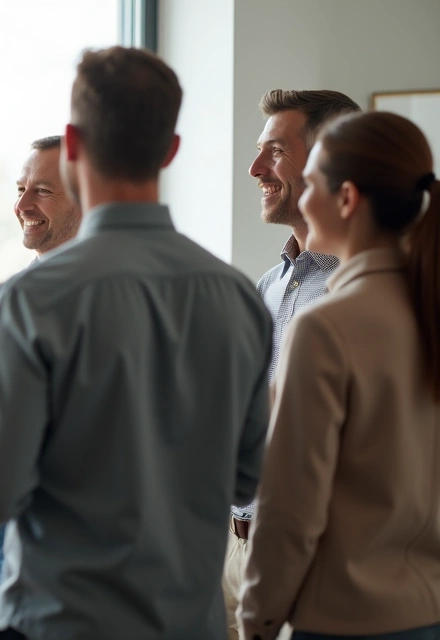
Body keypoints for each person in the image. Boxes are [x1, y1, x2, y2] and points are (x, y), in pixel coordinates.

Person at [0, 46, 273, 640]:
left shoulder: (29, 298)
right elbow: (248, 480)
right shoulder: (238, 298)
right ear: (170, 151)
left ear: (72, 148)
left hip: (58, 623)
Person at [240, 111, 440, 640]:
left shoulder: (327, 327)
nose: (303, 201)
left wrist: (256, 621)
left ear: (346, 199)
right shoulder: (428, 308)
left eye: (311, 187)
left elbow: (289, 511)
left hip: (344, 621)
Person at [225, 89, 359, 640]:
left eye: (275, 152)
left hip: (314, 560)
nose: (255, 168)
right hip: (233, 548)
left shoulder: (363, 291)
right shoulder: (267, 284)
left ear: (330, 158)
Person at [0, 135, 81, 604]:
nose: (23, 204)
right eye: (20, 189)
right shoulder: (13, 290)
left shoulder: (106, 293)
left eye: (43, 191)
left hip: (45, 525)